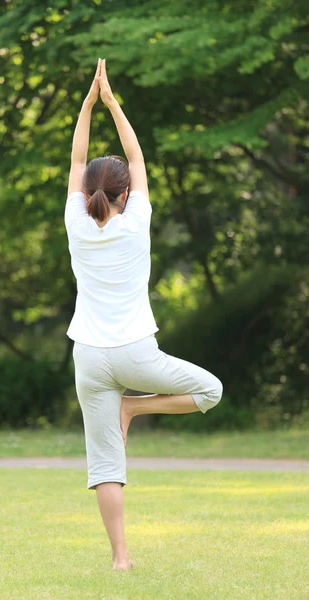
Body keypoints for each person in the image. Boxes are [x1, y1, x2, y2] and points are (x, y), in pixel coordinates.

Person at [64, 58, 223, 572]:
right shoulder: (138, 222)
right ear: (126, 193)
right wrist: (111, 102)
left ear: (89, 193)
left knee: (105, 465)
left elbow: (78, 160)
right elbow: (134, 154)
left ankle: (120, 559)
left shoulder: (75, 221)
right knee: (210, 390)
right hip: (135, 354)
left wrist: (86, 107)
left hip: (88, 356)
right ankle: (136, 408)